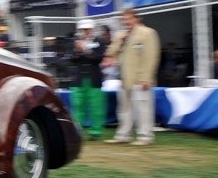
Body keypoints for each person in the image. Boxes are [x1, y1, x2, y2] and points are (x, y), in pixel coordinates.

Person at [104, 8, 161, 146]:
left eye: (128, 19)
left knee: (143, 108)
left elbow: (152, 56)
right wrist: (119, 40)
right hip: (125, 79)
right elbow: (110, 53)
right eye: (124, 19)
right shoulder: (121, 35)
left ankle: (145, 136)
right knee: (124, 109)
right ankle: (123, 135)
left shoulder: (147, 33)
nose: (126, 22)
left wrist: (146, 78)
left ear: (136, 18)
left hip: (140, 78)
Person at [69, 18, 107, 141]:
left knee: (96, 106)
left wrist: (86, 50)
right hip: (79, 79)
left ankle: (95, 131)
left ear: (92, 29)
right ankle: (77, 131)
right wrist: (77, 51)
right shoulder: (74, 41)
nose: (86, 31)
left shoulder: (99, 41)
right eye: (83, 29)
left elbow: (99, 58)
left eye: (88, 29)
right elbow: (70, 59)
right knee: (78, 105)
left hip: (94, 78)